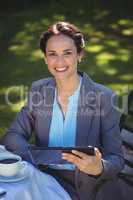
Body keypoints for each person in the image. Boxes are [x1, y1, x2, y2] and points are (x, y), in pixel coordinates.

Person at [3, 21, 124, 200]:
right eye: (52, 54)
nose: (59, 62)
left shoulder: (104, 97)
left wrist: (99, 167)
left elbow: (116, 159)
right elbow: (13, 135)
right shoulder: (39, 89)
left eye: (67, 53)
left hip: (84, 187)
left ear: (80, 55)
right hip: (42, 176)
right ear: (45, 58)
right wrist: (41, 156)